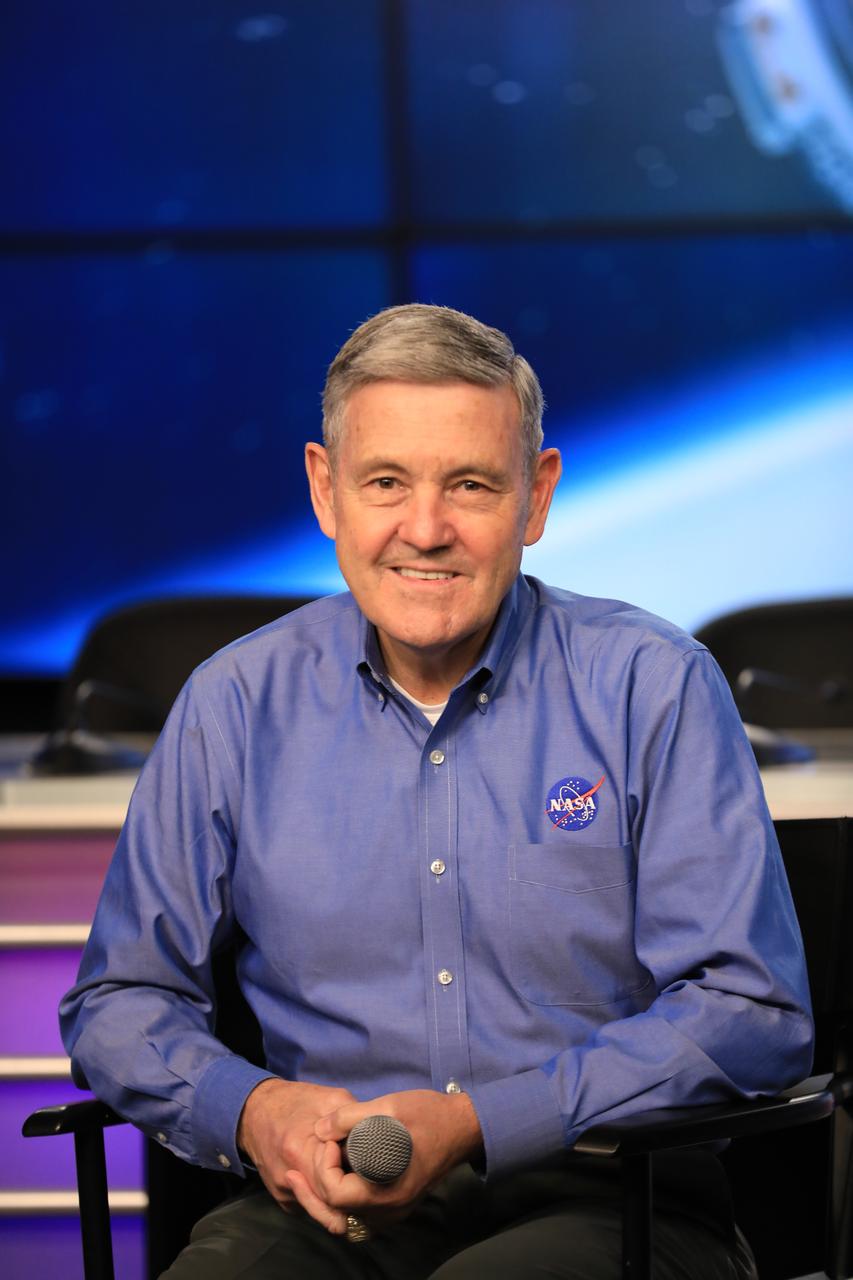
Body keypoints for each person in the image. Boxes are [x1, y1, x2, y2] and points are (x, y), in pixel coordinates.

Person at [61, 303, 813, 1279]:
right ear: (325, 489)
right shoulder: (233, 703)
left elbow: (752, 1011)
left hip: (615, 1195)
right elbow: (120, 999)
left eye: (470, 484)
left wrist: (476, 1121)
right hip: (327, 1208)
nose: (425, 530)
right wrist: (254, 1110)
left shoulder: (652, 685)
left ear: (535, 497)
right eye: (385, 482)